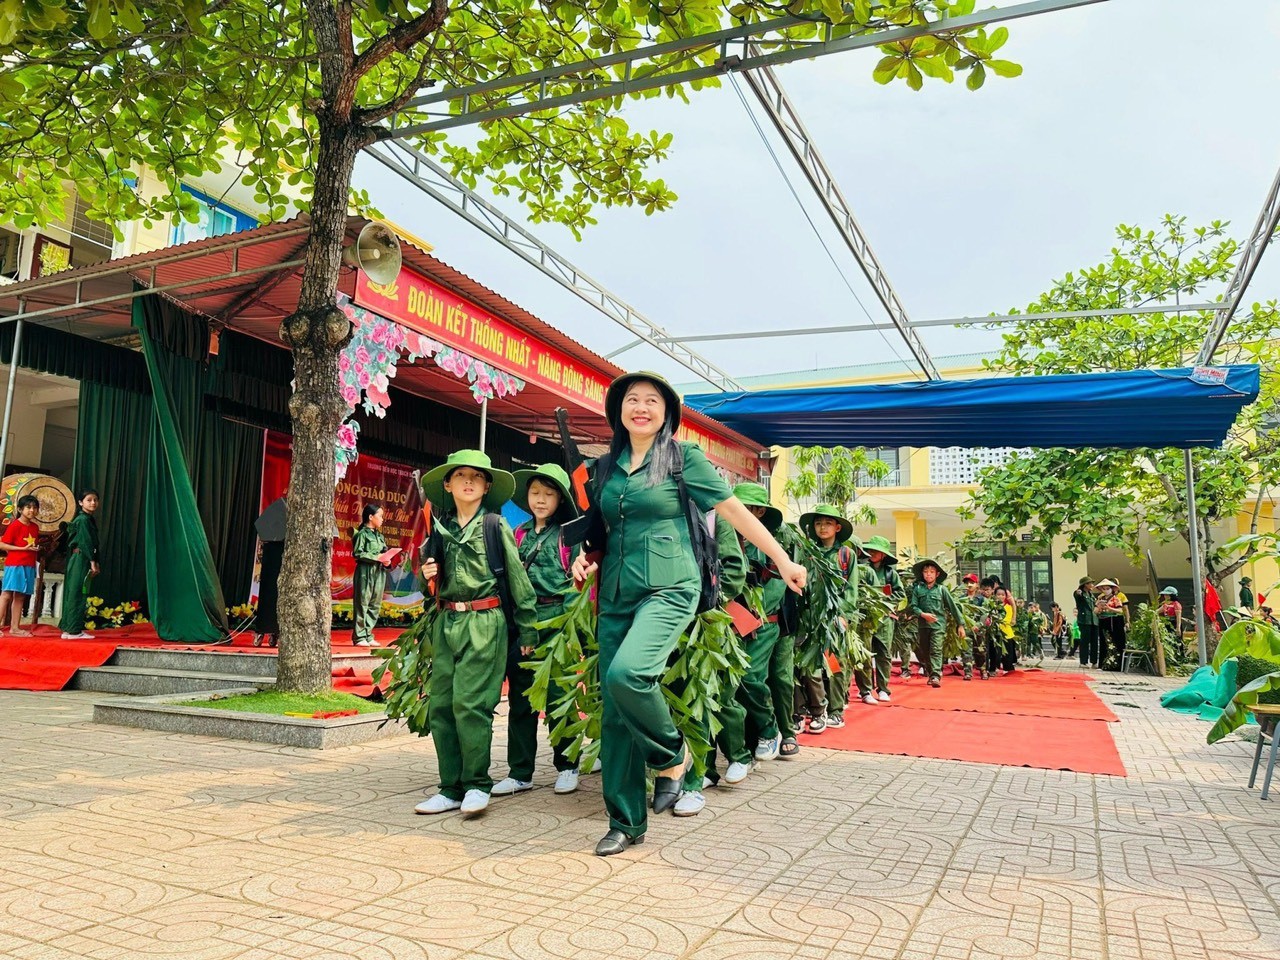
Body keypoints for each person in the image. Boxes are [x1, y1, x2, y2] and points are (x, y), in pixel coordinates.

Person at [570, 372, 805, 857]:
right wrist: (586, 558)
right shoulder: (605, 467)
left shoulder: (683, 459)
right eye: (631, 400)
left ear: (666, 412)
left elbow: (735, 511)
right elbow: (603, 528)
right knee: (616, 711)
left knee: (630, 674)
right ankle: (626, 822)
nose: (640, 407)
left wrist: (782, 559)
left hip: (670, 586)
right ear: (618, 410)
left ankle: (672, 755)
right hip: (615, 591)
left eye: (651, 401)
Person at [414, 450, 539, 819]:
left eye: (477, 476)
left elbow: (518, 580)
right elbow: (428, 586)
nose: (468, 481)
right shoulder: (439, 527)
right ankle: (449, 788)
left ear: (486, 487)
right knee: (441, 707)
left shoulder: (494, 525)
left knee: (470, 706)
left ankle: (475, 784)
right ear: (448, 485)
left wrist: (528, 629)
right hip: (446, 621)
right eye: (461, 475)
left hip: (485, 621)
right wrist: (426, 575)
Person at [493, 465, 581, 797]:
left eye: (548, 494)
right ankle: (519, 772)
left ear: (560, 498)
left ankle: (568, 765)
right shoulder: (517, 533)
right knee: (521, 699)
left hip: (558, 621)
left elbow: (580, 584)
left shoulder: (569, 535)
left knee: (560, 697)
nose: (540, 500)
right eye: (534, 493)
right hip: (523, 622)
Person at [674, 504, 752, 816]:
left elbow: (734, 568)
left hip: (704, 621)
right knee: (668, 700)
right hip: (662, 618)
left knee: (699, 699)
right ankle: (676, 773)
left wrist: (709, 600)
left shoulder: (715, 517)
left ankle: (695, 782)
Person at [730, 482, 791, 761]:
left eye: (746, 508)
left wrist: (749, 616)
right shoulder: (723, 537)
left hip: (763, 623)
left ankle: (770, 729)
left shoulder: (771, 545)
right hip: (728, 623)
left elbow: (776, 590)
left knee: (751, 677)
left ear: (758, 511)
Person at [796, 504, 858, 731]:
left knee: (835, 666)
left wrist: (843, 615)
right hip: (811, 619)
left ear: (837, 527)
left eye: (828, 523)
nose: (823, 527)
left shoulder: (845, 555)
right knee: (810, 666)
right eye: (819, 523)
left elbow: (851, 588)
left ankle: (836, 711)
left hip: (834, 620)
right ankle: (816, 710)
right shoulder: (808, 553)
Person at [853, 535, 903, 704]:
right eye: (871, 549)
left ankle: (883, 689)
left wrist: (882, 601)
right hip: (865, 618)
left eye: (877, 551)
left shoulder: (890, 573)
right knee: (863, 654)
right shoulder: (860, 569)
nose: (872, 553)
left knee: (883, 654)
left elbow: (900, 595)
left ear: (884, 555)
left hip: (884, 619)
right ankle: (865, 690)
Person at [907, 559, 964, 687]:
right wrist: (923, 615)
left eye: (932, 572)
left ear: (937, 574)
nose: (928, 574)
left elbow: (952, 607)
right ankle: (930, 672)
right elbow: (913, 606)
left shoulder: (942, 590)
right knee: (925, 651)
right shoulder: (917, 589)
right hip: (922, 625)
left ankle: (936, 676)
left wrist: (960, 624)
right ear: (922, 574)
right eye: (926, 572)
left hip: (938, 626)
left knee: (936, 650)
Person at [59, 489, 101, 640]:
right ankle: (74, 631)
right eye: (89, 500)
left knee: (75, 591)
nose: (93, 503)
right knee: (78, 592)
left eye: (95, 499)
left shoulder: (86, 519)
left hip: (79, 558)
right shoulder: (83, 520)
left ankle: (68, 629)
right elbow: (85, 542)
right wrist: (93, 562)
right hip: (82, 558)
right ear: (80, 502)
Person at [0, 495, 42, 637]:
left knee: (20, 596)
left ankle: (15, 628)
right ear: (20, 509)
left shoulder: (35, 527)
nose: (32, 510)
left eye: (35, 508)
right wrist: (23, 549)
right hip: (15, 564)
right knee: (6, 595)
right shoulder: (15, 525)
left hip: (29, 565)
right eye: (28, 507)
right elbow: (2, 544)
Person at [351, 503, 390, 647]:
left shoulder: (379, 536)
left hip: (379, 571)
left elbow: (384, 551)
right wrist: (376, 557)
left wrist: (386, 560)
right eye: (380, 516)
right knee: (362, 603)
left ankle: (368, 634)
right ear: (370, 517)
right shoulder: (362, 534)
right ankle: (359, 636)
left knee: (375, 603)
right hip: (365, 571)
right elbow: (358, 553)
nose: (382, 519)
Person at [1094, 578, 1126, 669]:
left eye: (1107, 588)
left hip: (1113, 621)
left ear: (1112, 589)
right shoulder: (1100, 599)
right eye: (1103, 589)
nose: (1105, 590)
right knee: (1104, 642)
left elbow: (1120, 610)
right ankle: (1103, 664)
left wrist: (1110, 608)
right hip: (1103, 621)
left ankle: (1114, 664)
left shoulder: (1116, 599)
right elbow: (1095, 611)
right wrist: (1099, 607)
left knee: (1113, 642)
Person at [1074, 576, 1099, 668]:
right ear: (1085, 584)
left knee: (1094, 641)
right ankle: (1083, 662)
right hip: (1084, 620)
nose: (1092, 585)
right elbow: (1077, 595)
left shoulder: (1091, 595)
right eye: (1090, 583)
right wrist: (1078, 593)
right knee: (1085, 641)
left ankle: (1094, 662)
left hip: (1094, 620)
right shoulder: (1080, 593)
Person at [993, 586, 1017, 674]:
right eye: (998, 594)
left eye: (1003, 595)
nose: (1000, 596)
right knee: (996, 652)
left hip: (1006, 632)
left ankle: (1008, 668)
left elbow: (1008, 619)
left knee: (1007, 652)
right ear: (994, 595)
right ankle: (994, 667)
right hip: (995, 632)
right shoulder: (992, 606)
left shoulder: (1008, 607)